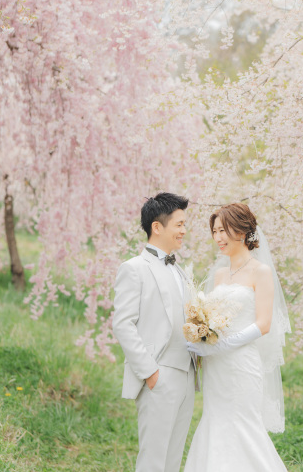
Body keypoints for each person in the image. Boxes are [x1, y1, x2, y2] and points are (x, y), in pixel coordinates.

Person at [184, 202, 290, 471]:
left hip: (241, 364)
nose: (218, 237)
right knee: (216, 422)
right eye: (215, 231)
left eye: (223, 230)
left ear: (242, 232)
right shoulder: (220, 274)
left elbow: (263, 324)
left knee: (244, 426)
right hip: (216, 368)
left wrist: (221, 346)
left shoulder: (260, 271)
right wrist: (202, 337)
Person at [112, 192, 196, 472]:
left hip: (187, 375)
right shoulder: (134, 269)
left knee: (173, 459)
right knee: (153, 460)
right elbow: (123, 323)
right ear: (157, 227)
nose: (184, 231)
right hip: (159, 374)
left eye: (185, 224)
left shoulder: (180, 270)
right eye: (179, 224)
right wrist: (150, 373)